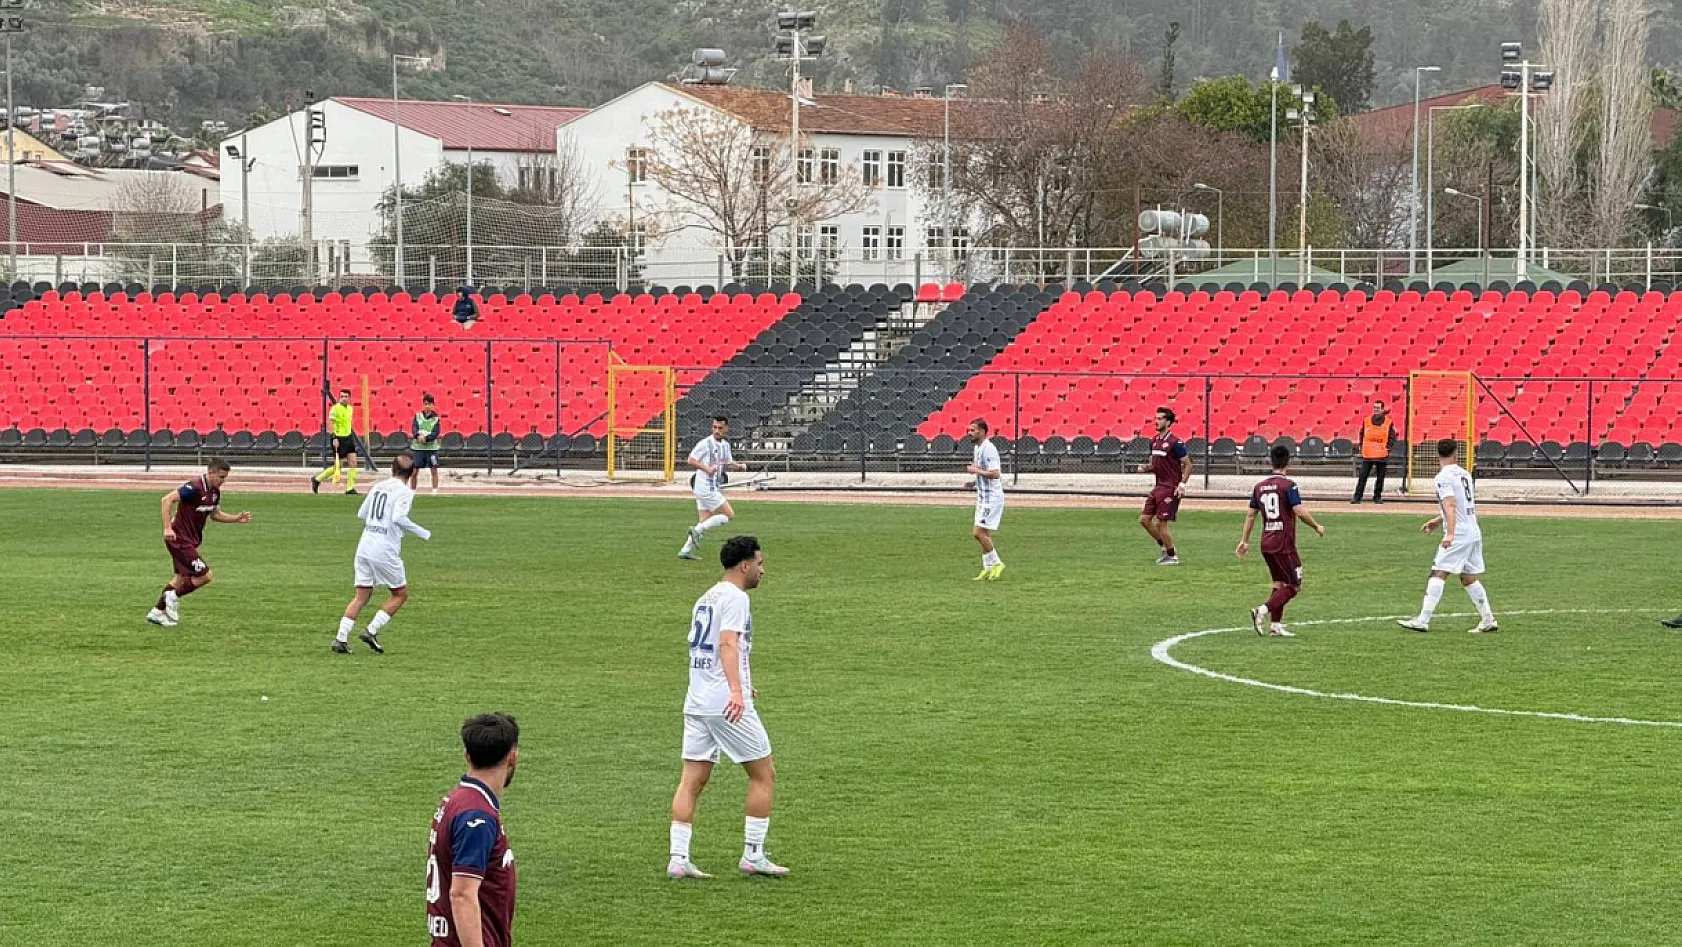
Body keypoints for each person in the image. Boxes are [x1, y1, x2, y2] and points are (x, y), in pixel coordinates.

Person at [668, 535, 788, 879]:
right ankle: (753, 854)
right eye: (760, 564)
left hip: (697, 699)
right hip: (725, 703)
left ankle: (678, 858)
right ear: (744, 565)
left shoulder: (706, 597)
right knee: (764, 774)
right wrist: (736, 691)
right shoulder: (736, 598)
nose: (763, 571)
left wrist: (744, 682)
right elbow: (727, 644)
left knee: (692, 778)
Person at [427, 712, 519, 947]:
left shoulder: (457, 802)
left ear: (467, 756)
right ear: (513, 757)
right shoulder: (476, 816)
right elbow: (462, 894)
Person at [333, 452, 431, 655]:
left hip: (365, 545)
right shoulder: (405, 492)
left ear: (392, 469)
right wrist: (422, 532)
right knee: (400, 594)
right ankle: (371, 631)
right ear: (412, 473)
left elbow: (362, 513)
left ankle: (341, 638)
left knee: (362, 595)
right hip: (384, 548)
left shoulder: (378, 486)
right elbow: (398, 517)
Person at [1398, 439, 1498, 634]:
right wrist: (1438, 521)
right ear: (1456, 454)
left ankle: (1422, 620)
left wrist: (1450, 533)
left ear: (1437, 454)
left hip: (1459, 533)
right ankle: (1488, 619)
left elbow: (1451, 504)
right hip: (1473, 530)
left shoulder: (1442, 477)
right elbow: (1461, 504)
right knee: (1468, 577)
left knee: (1438, 572)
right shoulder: (1465, 474)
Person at [147, 458, 252, 627]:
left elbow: (215, 514)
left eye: (225, 477)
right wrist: (167, 528)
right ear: (211, 473)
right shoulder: (194, 487)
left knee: (180, 579)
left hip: (190, 540)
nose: (223, 481)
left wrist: (236, 518)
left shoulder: (215, 492)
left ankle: (157, 612)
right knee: (205, 575)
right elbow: (166, 500)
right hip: (179, 539)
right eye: (221, 477)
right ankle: (172, 596)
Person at [1236, 445, 1325, 637]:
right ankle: (1262, 610)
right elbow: (1299, 511)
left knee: (1279, 583)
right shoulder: (1288, 485)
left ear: (1271, 461)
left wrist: (1244, 541)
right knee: (1294, 586)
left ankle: (1275, 626)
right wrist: (1316, 525)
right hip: (1283, 543)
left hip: (1266, 542)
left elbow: (1251, 514)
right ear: (1288, 462)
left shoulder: (1259, 487)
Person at [678, 416, 748, 561]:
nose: (717, 430)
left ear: (726, 429)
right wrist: (707, 468)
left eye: (720, 428)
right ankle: (696, 530)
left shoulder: (725, 445)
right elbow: (691, 459)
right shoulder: (705, 444)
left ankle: (685, 550)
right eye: (714, 427)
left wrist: (739, 466)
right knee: (729, 514)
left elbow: (727, 462)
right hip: (705, 487)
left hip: (709, 486)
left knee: (705, 519)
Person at [1138, 406, 1190, 565]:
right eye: (1156, 418)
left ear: (1168, 422)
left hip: (1170, 488)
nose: (1157, 421)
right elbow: (1156, 465)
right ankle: (1164, 547)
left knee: (1161, 523)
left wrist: (1182, 484)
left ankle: (1172, 556)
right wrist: (1146, 468)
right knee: (1144, 520)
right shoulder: (1154, 441)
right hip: (1158, 487)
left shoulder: (1175, 443)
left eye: (1160, 419)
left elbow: (1188, 465)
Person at [965, 418, 1005, 580]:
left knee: (977, 533)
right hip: (982, 497)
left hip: (992, 498)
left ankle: (997, 563)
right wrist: (974, 482)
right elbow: (982, 471)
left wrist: (976, 471)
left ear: (981, 431)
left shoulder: (989, 449)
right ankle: (987, 568)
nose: (970, 433)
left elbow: (995, 473)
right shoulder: (978, 448)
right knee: (984, 533)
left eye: (973, 430)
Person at [312, 388, 360, 495]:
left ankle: (350, 488)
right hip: (338, 438)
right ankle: (317, 479)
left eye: (346, 397)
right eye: (342, 396)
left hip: (348, 437)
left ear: (349, 398)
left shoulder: (350, 409)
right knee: (338, 466)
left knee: (353, 462)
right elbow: (331, 424)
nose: (344, 398)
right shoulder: (335, 409)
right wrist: (334, 437)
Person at [1352, 400, 1398, 504]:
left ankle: (1377, 497)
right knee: (1362, 477)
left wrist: (1387, 448)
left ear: (1382, 409)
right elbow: (1362, 434)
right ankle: (1357, 497)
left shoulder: (1388, 422)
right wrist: (1362, 446)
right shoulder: (1366, 420)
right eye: (1374, 407)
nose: (1376, 409)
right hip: (1368, 454)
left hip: (1381, 454)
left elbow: (1392, 437)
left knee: (1380, 478)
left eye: (1378, 408)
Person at [410, 393, 443, 494]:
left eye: (429, 404)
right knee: (414, 471)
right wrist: (418, 436)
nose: (427, 406)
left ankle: (434, 492)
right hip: (418, 448)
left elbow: (436, 433)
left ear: (433, 405)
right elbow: (414, 428)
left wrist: (426, 438)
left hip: (431, 449)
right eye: (425, 404)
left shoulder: (436, 419)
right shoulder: (417, 416)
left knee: (434, 470)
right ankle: (413, 491)